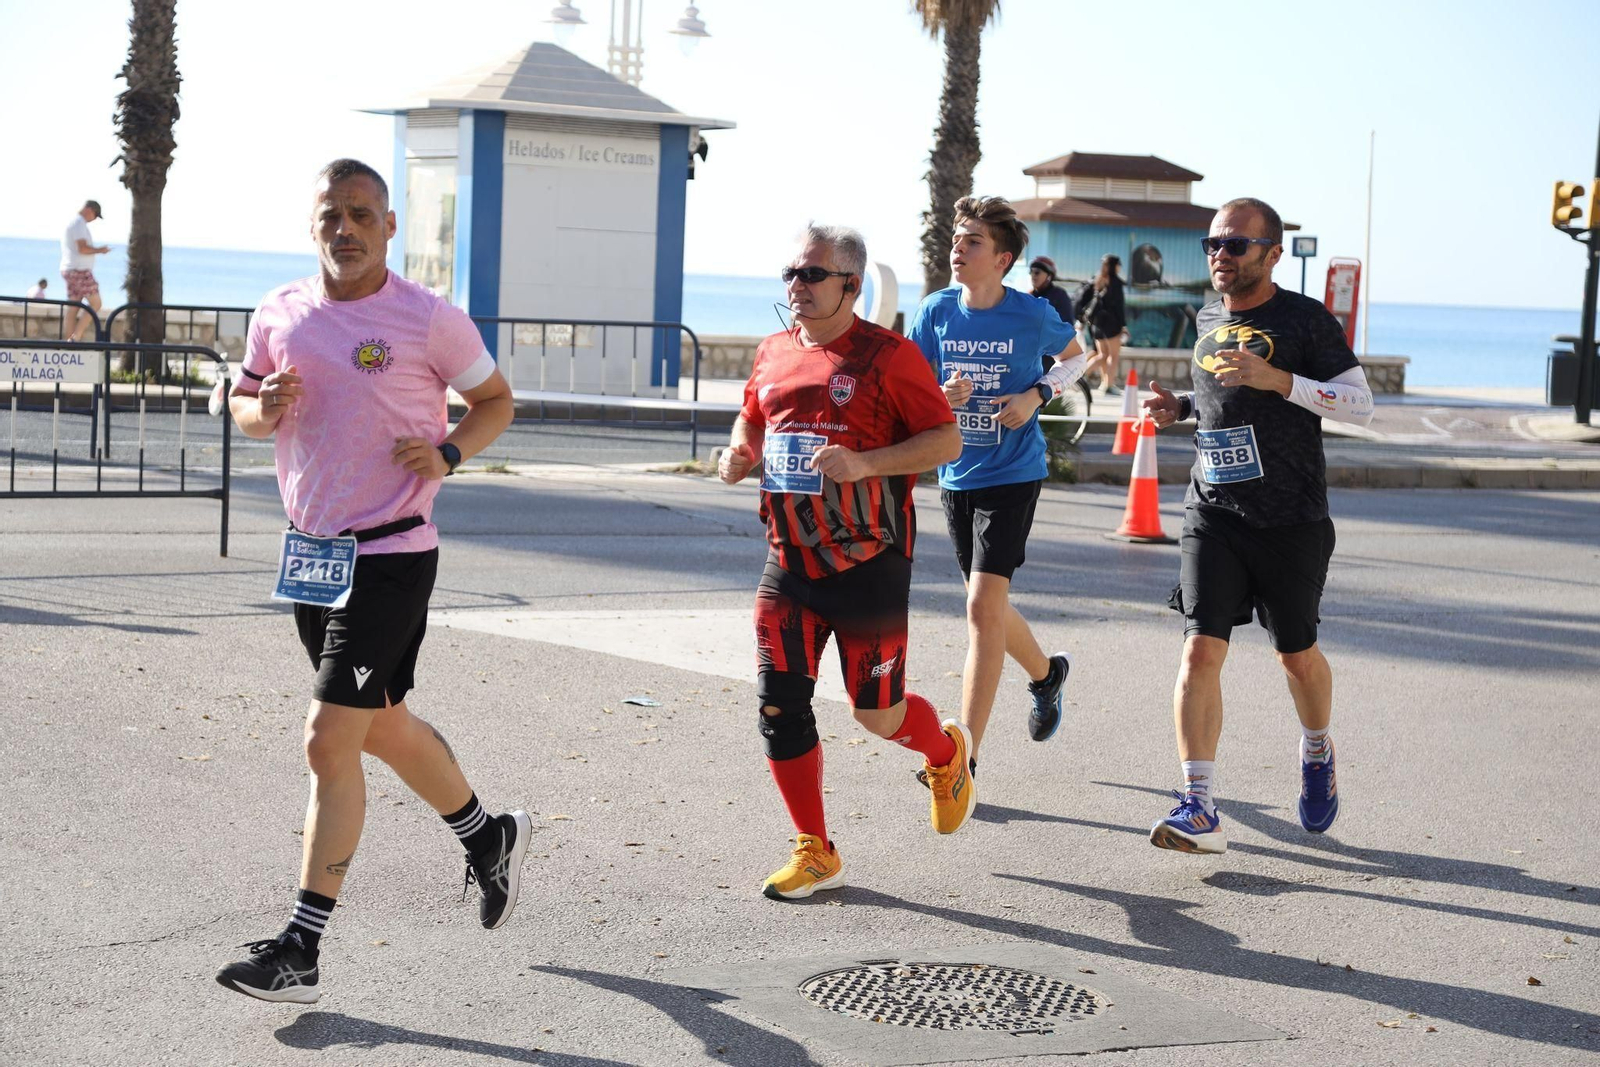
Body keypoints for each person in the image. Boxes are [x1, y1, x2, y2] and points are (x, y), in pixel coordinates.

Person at [217, 159, 524, 1003]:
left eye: (360, 215)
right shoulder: (278, 313)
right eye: (330, 216)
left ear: (390, 227)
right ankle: (488, 835)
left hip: (392, 553)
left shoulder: (428, 319)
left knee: (328, 738)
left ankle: (300, 948)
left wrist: (452, 451)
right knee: (379, 726)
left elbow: (496, 399)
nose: (344, 229)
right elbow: (241, 405)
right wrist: (262, 407)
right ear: (312, 224)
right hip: (312, 557)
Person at [718, 223, 964, 901]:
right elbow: (751, 419)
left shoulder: (890, 357)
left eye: (811, 275)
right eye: (791, 274)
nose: (796, 287)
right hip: (787, 559)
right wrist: (738, 453)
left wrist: (866, 463)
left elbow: (945, 439)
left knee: (877, 716)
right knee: (778, 706)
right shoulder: (772, 351)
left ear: (851, 286)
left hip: (869, 562)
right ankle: (815, 847)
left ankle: (945, 754)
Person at [1141, 197, 1375, 855]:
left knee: (1296, 657)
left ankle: (1317, 746)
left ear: (1271, 252)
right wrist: (1180, 406)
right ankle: (1199, 803)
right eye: (1212, 243)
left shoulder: (1304, 319)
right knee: (1200, 649)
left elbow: (1361, 404)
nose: (1220, 254)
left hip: (1290, 515)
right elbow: (1220, 396)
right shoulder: (1209, 313)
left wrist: (1281, 379)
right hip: (1212, 508)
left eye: (1235, 245)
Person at [909, 196, 1087, 794]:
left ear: (1002, 258)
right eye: (957, 239)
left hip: (1013, 472)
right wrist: (940, 395)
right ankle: (1045, 676)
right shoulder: (936, 311)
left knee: (980, 608)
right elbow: (908, 384)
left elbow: (1077, 358)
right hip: (957, 471)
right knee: (988, 606)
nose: (958, 249)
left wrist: (1036, 394)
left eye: (973, 241)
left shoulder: (1031, 314)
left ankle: (965, 758)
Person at [60, 200, 109, 341]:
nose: (94, 219)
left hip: (70, 270)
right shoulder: (79, 223)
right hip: (79, 271)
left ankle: (68, 344)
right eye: (95, 215)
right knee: (96, 303)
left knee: (73, 306)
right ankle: (76, 337)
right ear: (89, 210)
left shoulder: (75, 223)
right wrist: (100, 250)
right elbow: (82, 248)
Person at [1076, 253, 1126, 394]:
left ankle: (1104, 383)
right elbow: (1119, 307)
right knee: (1112, 356)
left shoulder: (1098, 280)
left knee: (1103, 355)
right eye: (1118, 265)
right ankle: (1106, 384)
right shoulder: (1115, 283)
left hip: (1097, 325)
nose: (1120, 267)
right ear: (1114, 266)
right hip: (1111, 325)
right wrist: (1123, 326)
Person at [1027, 255, 1074, 370]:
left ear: (1049, 276)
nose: (1033, 276)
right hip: (1030, 354)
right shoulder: (1028, 296)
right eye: (1031, 272)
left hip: (1051, 354)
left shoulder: (1059, 295)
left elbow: (1067, 324)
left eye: (1037, 272)